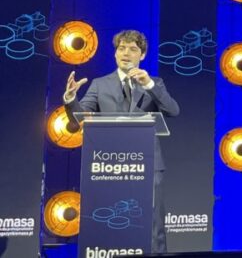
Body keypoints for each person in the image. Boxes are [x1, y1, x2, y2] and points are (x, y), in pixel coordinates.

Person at [64, 30, 180, 254]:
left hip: (148, 163)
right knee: (113, 220)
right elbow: (78, 120)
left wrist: (148, 85)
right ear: (115, 53)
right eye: (121, 48)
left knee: (152, 223)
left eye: (133, 49)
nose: (126, 53)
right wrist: (70, 99)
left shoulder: (155, 83)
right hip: (110, 166)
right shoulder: (100, 84)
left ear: (142, 55)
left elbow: (173, 111)